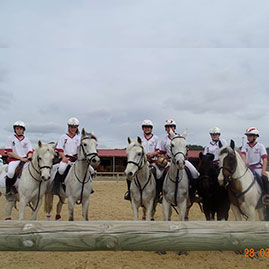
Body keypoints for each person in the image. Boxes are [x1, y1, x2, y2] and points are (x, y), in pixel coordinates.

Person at [156, 119, 200, 202]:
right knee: (159, 175)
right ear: (165, 128)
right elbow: (161, 152)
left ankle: (192, 194)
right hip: (169, 161)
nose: (169, 128)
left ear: (174, 128)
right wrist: (163, 157)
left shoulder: (180, 137)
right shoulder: (163, 140)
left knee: (195, 174)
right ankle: (161, 194)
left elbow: (186, 149)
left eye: (171, 127)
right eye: (167, 127)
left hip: (183, 160)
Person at [124, 120, 159, 200]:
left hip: (152, 162)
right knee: (129, 174)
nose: (147, 129)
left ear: (151, 128)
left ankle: (157, 193)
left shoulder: (156, 138)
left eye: (148, 127)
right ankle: (129, 192)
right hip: (141, 162)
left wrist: (152, 154)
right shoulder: (139, 139)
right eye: (145, 127)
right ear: (143, 128)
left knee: (158, 174)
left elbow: (158, 151)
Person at [5, 121, 33, 201]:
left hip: (25, 160)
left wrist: (29, 157)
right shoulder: (10, 138)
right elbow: (9, 152)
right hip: (13, 160)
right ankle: (8, 191)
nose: (19, 130)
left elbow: (30, 151)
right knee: (10, 173)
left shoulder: (27, 140)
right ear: (15, 130)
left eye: (20, 129)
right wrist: (21, 158)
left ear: (23, 130)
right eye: (17, 129)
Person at [52, 117, 81, 194]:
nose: (73, 129)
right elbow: (60, 149)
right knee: (61, 169)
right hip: (66, 158)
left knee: (90, 169)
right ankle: (56, 187)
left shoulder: (79, 138)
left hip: (76, 159)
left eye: (75, 127)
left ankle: (87, 187)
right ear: (68, 127)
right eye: (71, 127)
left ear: (77, 128)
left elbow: (80, 150)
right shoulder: (63, 137)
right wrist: (63, 157)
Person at [241, 127, 269, 205]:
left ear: (255, 137)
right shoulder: (245, 145)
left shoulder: (260, 146)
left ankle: (266, 196)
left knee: (264, 178)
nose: (248, 138)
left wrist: (263, 171)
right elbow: (243, 154)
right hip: (248, 168)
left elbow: (265, 160)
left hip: (258, 168)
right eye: (247, 136)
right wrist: (244, 160)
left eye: (250, 136)